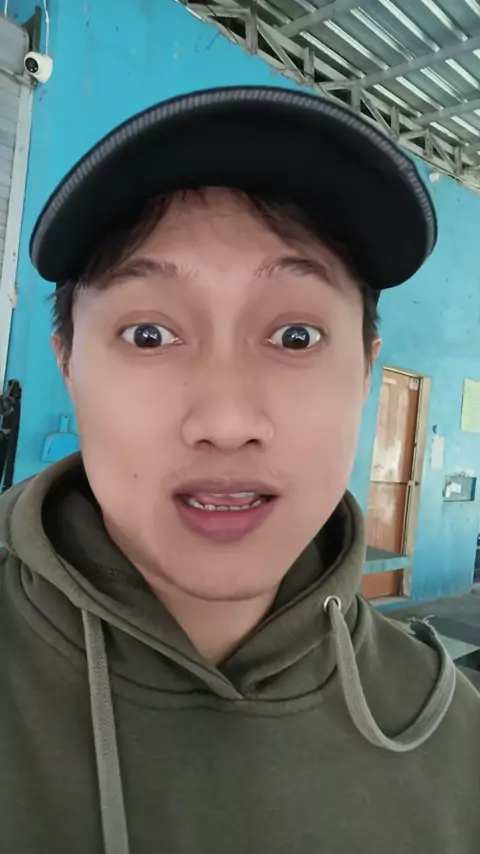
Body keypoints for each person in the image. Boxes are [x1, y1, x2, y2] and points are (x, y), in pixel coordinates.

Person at [1, 87, 479, 854]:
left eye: (295, 336)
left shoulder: (455, 740)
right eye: (149, 334)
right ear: (68, 365)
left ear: (365, 373)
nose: (226, 422)